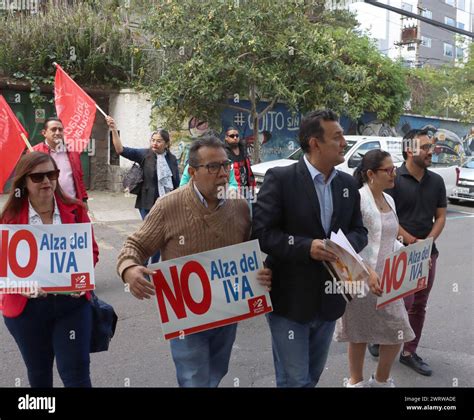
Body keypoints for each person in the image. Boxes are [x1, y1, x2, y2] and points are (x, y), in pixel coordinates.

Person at [116, 135, 271, 387]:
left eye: (225, 165)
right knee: (193, 378)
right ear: (192, 171)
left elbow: (247, 252)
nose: (222, 173)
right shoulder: (168, 205)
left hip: (228, 312)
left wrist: (259, 273)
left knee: (216, 372)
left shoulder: (240, 205)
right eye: (213, 167)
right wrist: (129, 268)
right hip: (186, 316)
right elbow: (134, 245)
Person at [252, 109, 368, 387]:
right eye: (337, 137)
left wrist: (339, 247)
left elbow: (360, 232)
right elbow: (262, 233)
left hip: (330, 300)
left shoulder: (348, 184)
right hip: (289, 300)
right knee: (295, 379)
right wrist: (306, 247)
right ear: (315, 143)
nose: (344, 143)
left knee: (311, 377)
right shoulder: (280, 179)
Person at [1, 151, 99, 387]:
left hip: (71, 306)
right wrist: (17, 285)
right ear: (24, 181)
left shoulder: (76, 210)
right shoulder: (9, 218)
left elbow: (91, 252)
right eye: (38, 177)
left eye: (52, 174)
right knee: (39, 374)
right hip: (26, 311)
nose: (46, 181)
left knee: (77, 375)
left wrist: (80, 279)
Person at [334, 149, 415, 388]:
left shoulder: (389, 200)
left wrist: (412, 253)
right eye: (388, 170)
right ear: (371, 173)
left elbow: (390, 237)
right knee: (359, 334)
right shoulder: (357, 199)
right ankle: (356, 382)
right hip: (360, 277)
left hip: (389, 279)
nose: (394, 174)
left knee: (397, 329)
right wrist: (367, 271)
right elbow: (346, 243)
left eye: (395, 169)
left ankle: (380, 381)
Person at [381, 128, 446, 377]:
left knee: (418, 305)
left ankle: (409, 352)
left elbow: (440, 216)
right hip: (397, 252)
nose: (432, 151)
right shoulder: (393, 178)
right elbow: (386, 214)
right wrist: (409, 239)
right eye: (426, 147)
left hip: (427, 253)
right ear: (410, 150)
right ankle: (381, 339)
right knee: (392, 304)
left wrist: (427, 242)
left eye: (431, 146)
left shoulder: (436, 181)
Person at [106, 116, 180, 264]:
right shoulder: (144, 155)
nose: (155, 143)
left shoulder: (171, 159)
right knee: (151, 235)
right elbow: (120, 150)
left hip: (166, 204)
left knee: (161, 236)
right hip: (147, 203)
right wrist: (113, 129)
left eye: (159, 141)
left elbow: (175, 182)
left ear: (166, 144)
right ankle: (143, 266)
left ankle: (154, 266)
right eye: (153, 140)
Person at [33, 117, 88, 205]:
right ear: (44, 133)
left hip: (72, 204)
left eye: (60, 130)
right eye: (54, 129)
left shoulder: (73, 152)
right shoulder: (34, 152)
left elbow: (79, 177)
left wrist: (84, 199)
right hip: (46, 206)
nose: (58, 133)